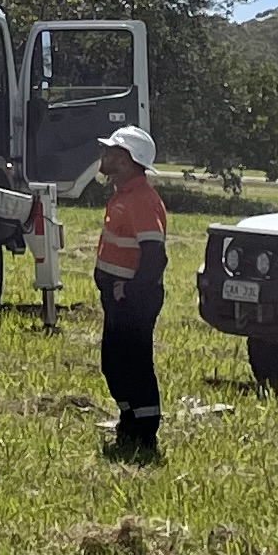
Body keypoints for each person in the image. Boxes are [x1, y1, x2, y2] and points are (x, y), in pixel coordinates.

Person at [91, 123, 169, 457]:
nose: (104, 155)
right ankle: (129, 419)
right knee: (114, 363)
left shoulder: (141, 200)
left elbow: (155, 255)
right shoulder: (123, 196)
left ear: (126, 161)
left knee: (134, 365)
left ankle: (144, 432)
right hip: (118, 297)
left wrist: (132, 292)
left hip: (133, 300)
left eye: (111, 151)